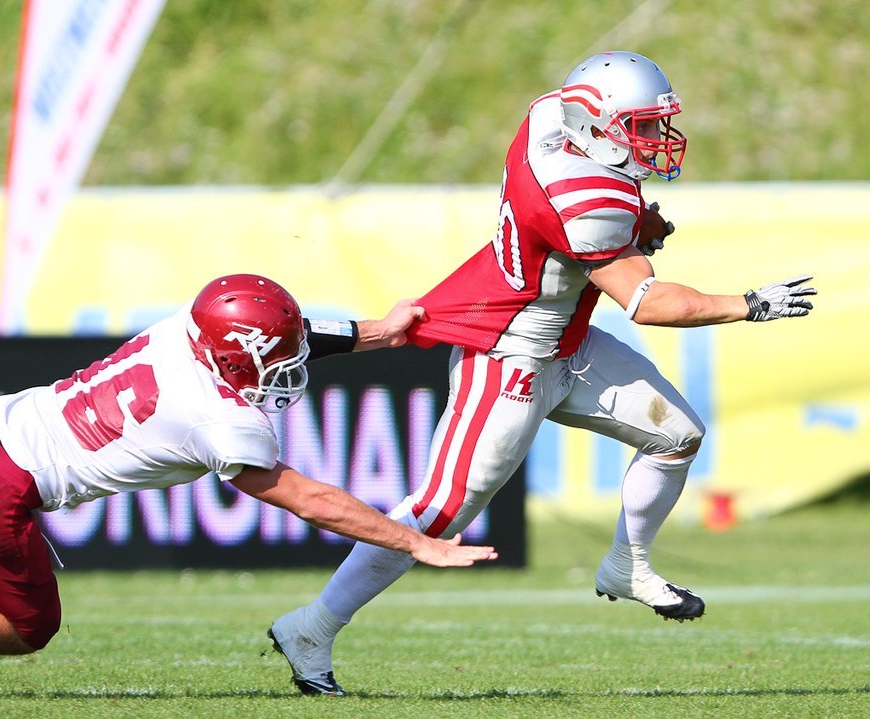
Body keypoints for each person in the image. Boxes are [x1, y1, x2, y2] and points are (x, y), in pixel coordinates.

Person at [268, 50, 817, 696]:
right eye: (640, 126)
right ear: (594, 125)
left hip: (569, 343)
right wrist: (749, 304)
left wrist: (634, 225)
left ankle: (628, 565)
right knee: (439, 511)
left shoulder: (550, 120)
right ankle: (311, 627)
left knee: (677, 435)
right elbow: (648, 302)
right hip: (510, 356)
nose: (654, 139)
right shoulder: (586, 201)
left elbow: (599, 214)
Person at [0, 273, 497, 656]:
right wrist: (415, 543)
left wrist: (378, 332)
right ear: (234, 358)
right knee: (29, 627)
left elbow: (288, 336)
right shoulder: (218, 420)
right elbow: (310, 500)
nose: (289, 362)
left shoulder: (186, 327)